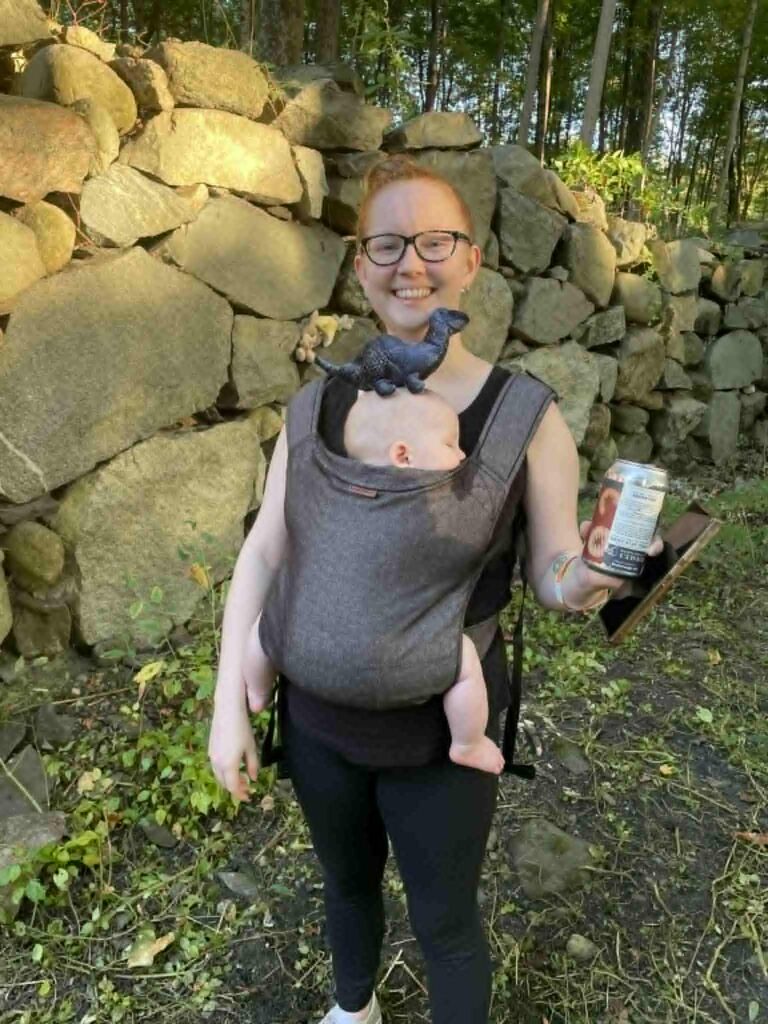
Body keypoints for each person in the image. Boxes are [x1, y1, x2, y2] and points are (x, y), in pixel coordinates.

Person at [208, 155, 646, 1024]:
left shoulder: (526, 417)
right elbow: (266, 552)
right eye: (387, 243)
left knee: (445, 922)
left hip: (441, 740)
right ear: (359, 261)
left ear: (472, 260)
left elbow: (556, 580)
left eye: (436, 240)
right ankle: (352, 1008)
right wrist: (230, 703)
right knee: (344, 888)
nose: (412, 262)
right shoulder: (317, 407)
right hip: (318, 722)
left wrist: (595, 573)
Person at [241, 386, 505, 776]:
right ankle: (468, 743)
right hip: (391, 661)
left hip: (301, 645)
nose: (462, 456)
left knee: (265, 624)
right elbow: (457, 554)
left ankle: (258, 689)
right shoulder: (428, 510)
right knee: (464, 660)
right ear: (404, 454)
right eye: (451, 443)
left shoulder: (328, 493)